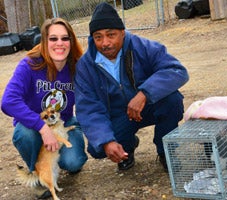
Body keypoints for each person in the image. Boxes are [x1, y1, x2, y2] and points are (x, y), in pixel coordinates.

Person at [74, 2, 189, 172]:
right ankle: (127, 147)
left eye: (110, 35)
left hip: (146, 106)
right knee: (97, 149)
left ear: (122, 33)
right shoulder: (86, 65)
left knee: (172, 100)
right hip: (117, 116)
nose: (105, 43)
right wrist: (106, 140)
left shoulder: (142, 46)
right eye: (98, 37)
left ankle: (166, 151)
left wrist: (145, 93)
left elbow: (177, 71)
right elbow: (88, 108)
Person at [1, 18, 88, 199]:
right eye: (53, 38)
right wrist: (42, 128)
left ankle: (60, 159)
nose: (59, 44)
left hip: (63, 122)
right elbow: (8, 101)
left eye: (65, 38)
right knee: (24, 134)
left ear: (71, 42)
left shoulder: (76, 66)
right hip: (33, 126)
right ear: (44, 41)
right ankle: (39, 174)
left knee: (73, 162)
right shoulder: (30, 65)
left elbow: (91, 100)